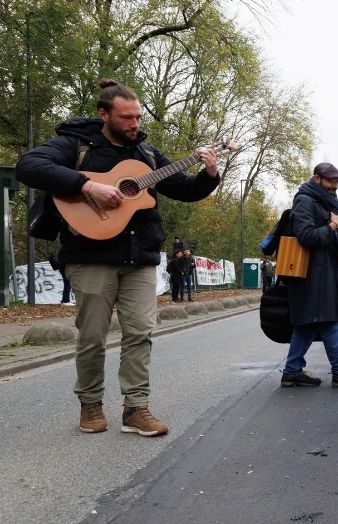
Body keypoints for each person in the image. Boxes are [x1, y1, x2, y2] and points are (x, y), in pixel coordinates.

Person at [15, 79, 221, 437]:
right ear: (103, 114)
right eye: (127, 118)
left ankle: (136, 408)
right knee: (92, 336)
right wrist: (86, 185)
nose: (134, 124)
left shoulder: (149, 156)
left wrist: (209, 174)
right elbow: (29, 165)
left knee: (141, 333)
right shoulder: (76, 146)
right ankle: (90, 404)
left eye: (138, 118)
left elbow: (185, 190)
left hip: (139, 258)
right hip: (90, 255)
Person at [281, 162, 338, 389]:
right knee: (331, 322)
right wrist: (331, 226)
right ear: (317, 178)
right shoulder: (305, 201)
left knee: (308, 325)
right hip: (312, 276)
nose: (334, 187)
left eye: (337, 183)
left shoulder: (322, 201)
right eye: (331, 181)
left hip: (322, 273)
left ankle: (292, 371)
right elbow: (306, 237)